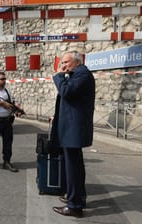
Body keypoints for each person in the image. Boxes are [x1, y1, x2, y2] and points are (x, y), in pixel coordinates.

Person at [51, 51, 95, 218]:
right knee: (76, 166)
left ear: (77, 62)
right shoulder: (78, 73)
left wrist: (59, 76)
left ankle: (75, 206)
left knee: (73, 168)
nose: (63, 66)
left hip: (73, 130)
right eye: (62, 63)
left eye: (66, 62)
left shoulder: (82, 74)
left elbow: (67, 93)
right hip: (72, 129)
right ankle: (77, 197)